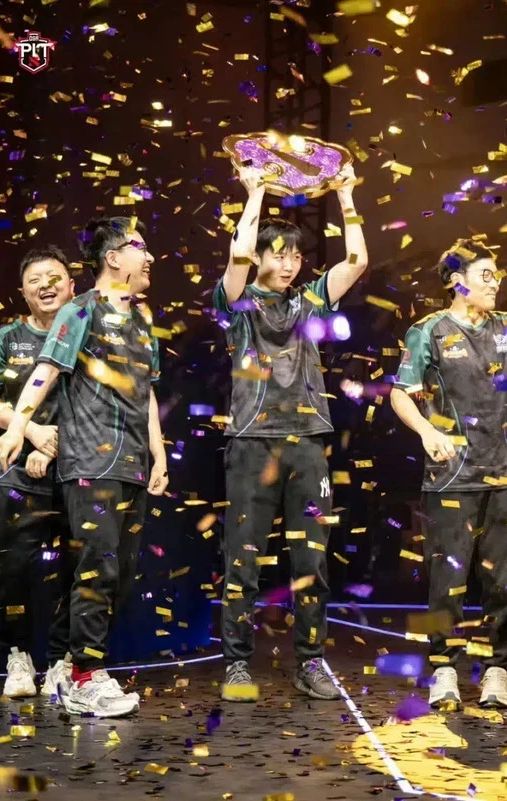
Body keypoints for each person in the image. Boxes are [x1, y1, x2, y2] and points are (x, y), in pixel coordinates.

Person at [0, 217, 169, 718]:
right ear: (113, 258)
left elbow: (146, 392)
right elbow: (46, 370)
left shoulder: (143, 321)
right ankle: (85, 678)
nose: (149, 257)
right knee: (97, 571)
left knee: (119, 575)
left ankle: (73, 667)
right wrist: (17, 426)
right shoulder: (80, 310)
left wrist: (158, 452)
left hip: (133, 465)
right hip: (91, 462)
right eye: (140, 247)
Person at [215, 160, 368, 702]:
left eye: (296, 256)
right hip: (251, 444)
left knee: (312, 561)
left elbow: (357, 260)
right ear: (260, 256)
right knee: (243, 558)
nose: (289, 263)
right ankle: (237, 663)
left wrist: (346, 195)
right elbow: (237, 257)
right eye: (278, 254)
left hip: (307, 443)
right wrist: (255, 193)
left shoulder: (309, 300)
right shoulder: (238, 303)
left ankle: (311, 661)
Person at [390, 238, 507, 710]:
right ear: (457, 282)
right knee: (447, 579)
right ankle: (444, 669)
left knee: (503, 582)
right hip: (450, 476)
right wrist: (425, 430)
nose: (495, 283)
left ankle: (496, 669)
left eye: (497, 275)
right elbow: (400, 393)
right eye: (485, 275)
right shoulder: (429, 331)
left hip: (505, 473)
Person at [0, 245, 75, 699]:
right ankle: (17, 656)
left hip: (79, 467)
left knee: (80, 568)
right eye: (35, 280)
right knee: (12, 566)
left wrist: (56, 447)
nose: (45, 286)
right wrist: (30, 431)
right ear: (23, 292)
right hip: (17, 469)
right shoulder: (5, 337)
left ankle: (63, 661)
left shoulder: (87, 333)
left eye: (54, 277)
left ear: (72, 285)